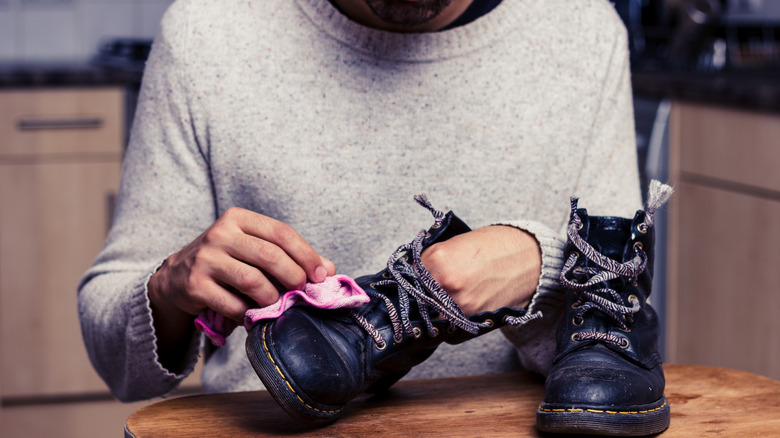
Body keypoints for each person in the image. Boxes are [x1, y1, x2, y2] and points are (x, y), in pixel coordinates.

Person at [78, 0, 642, 404]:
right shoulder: (207, 31)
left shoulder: (583, 30)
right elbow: (119, 369)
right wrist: (168, 289)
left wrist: (537, 266)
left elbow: (620, 342)